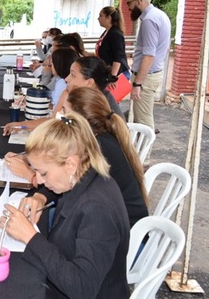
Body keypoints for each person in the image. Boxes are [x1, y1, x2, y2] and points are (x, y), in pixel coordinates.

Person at [0, 113, 130, 298]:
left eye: (43, 173)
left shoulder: (97, 209)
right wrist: (39, 198)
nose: (40, 180)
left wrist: (30, 237)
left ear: (70, 164)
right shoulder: (86, 175)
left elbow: (82, 288)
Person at [63, 87, 149, 227]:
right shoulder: (99, 139)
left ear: (80, 122)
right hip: (114, 223)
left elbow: (70, 185)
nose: (62, 119)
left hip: (125, 234)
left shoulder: (100, 147)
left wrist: (33, 176)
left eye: (66, 114)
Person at [3, 56, 123, 135]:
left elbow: (63, 131)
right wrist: (21, 126)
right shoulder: (77, 96)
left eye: (73, 75)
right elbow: (56, 121)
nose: (66, 79)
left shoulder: (93, 109)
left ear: (89, 82)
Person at [126, 0, 171, 131]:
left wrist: (138, 83)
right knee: (142, 118)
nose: (128, 8)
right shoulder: (160, 15)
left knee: (144, 121)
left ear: (139, 1)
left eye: (129, 4)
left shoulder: (149, 21)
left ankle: (145, 153)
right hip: (152, 74)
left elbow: (149, 55)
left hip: (146, 78)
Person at [96, 6, 130, 82]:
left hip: (117, 74)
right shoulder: (107, 32)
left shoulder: (115, 34)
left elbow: (118, 57)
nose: (98, 18)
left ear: (108, 17)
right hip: (110, 72)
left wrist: (113, 77)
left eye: (101, 16)